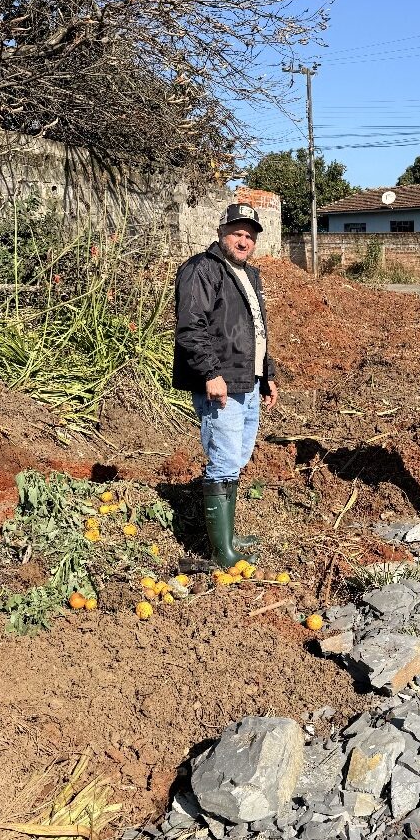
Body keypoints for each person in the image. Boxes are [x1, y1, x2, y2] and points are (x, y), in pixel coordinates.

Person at [173, 202, 278, 568]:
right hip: (220, 382)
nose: (244, 241)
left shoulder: (249, 275)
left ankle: (227, 538)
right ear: (221, 233)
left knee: (236, 458)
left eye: (250, 236)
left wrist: (267, 374)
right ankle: (221, 553)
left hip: (247, 380)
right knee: (223, 461)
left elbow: (256, 331)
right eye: (237, 234)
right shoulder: (202, 269)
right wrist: (210, 373)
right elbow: (191, 328)